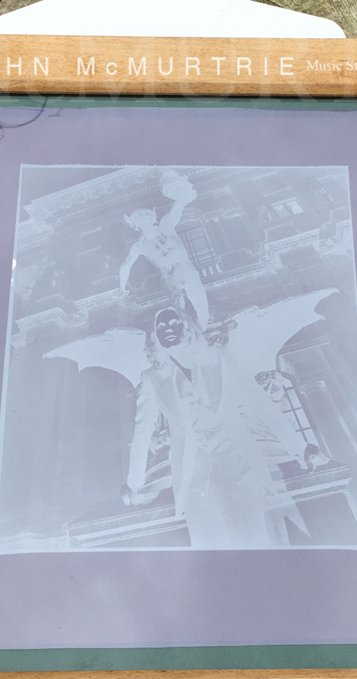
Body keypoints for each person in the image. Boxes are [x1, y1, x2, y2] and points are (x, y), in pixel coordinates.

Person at [123, 308, 308, 549]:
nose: (167, 329)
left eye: (173, 323)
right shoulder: (151, 378)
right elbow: (142, 432)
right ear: (154, 336)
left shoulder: (218, 357)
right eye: (161, 327)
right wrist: (133, 482)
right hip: (193, 475)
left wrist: (300, 447)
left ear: (186, 326)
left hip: (240, 462)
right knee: (208, 547)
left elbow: (259, 402)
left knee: (254, 540)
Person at [119, 172, 211, 326]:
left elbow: (177, 208)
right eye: (140, 221)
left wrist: (179, 193)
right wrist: (122, 288)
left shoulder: (166, 226)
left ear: (152, 218)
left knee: (199, 302)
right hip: (168, 275)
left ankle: (202, 325)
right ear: (136, 225)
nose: (145, 222)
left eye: (146, 218)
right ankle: (183, 326)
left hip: (186, 269)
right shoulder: (139, 246)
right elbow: (125, 266)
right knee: (177, 301)